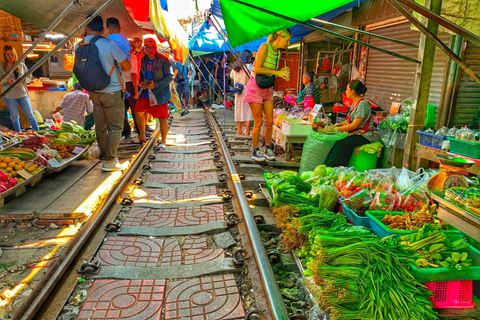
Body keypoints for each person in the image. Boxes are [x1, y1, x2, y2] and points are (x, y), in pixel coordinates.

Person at [76, 15, 131, 171]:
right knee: (115, 127)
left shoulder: (79, 46)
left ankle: (107, 156)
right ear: (103, 29)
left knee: (100, 127)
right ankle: (109, 160)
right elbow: (127, 67)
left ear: (86, 27)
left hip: (94, 93)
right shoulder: (109, 44)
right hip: (112, 91)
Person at [243, 29, 291, 162]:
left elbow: (273, 71)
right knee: (258, 121)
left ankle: (268, 148)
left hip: (268, 89)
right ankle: (255, 150)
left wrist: (281, 73)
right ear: (279, 36)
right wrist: (277, 73)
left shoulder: (277, 53)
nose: (288, 43)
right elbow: (258, 69)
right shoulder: (265, 47)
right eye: (287, 40)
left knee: (270, 122)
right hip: (255, 88)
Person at [323, 80, 374, 167]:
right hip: (356, 134)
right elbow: (349, 121)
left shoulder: (362, 104)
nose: (345, 92)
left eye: (347, 89)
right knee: (337, 141)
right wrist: (338, 125)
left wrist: (335, 130)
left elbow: (355, 125)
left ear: (352, 91)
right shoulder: (355, 103)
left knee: (343, 144)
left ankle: (335, 169)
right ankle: (328, 167)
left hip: (364, 136)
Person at [134, 38, 173, 149]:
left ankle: (164, 141)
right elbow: (141, 73)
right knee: (138, 111)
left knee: (162, 118)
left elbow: (170, 76)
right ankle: (142, 135)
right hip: (146, 92)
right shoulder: (143, 59)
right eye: (147, 47)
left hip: (160, 94)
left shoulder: (164, 60)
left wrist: (155, 85)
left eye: (152, 47)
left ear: (155, 48)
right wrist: (141, 83)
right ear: (144, 48)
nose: (150, 50)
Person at [106, 17, 135, 139]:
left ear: (107, 29)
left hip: (111, 81)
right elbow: (127, 65)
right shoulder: (125, 40)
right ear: (120, 28)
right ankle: (127, 131)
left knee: (115, 112)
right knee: (124, 108)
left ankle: (120, 133)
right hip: (124, 79)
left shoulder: (107, 41)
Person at [0, 45, 39, 132]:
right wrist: (7, 81)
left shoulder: (21, 65)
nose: (11, 57)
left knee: (30, 114)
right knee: (14, 116)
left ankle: (37, 131)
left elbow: (29, 77)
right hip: (10, 95)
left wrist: (22, 79)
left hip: (22, 93)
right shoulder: (2, 67)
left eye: (12, 54)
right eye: (8, 54)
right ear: (5, 55)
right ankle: (18, 133)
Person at [230, 52, 253, 136]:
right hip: (247, 90)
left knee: (238, 110)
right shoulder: (249, 67)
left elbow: (231, 76)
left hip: (238, 90)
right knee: (248, 111)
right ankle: (247, 132)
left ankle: (239, 131)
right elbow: (253, 77)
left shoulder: (236, 67)